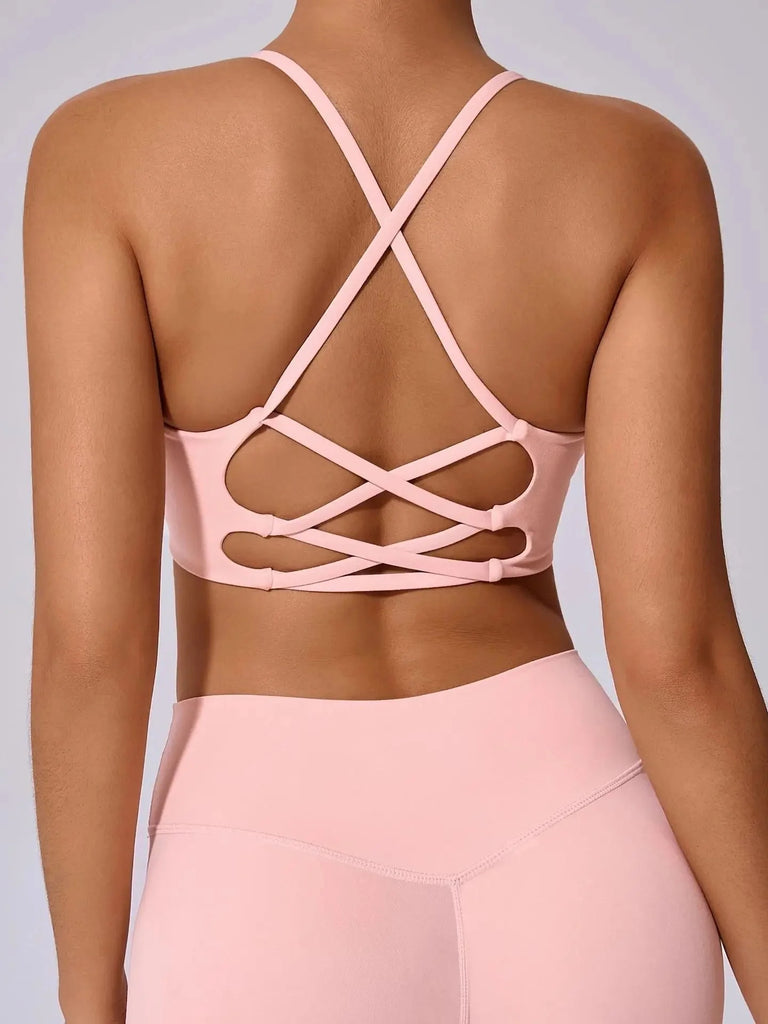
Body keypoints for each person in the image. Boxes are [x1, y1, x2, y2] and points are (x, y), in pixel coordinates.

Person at [24, 0, 768, 1021]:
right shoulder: (636, 167)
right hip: (583, 846)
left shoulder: (107, 153)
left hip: (260, 852)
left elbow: (90, 646)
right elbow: (680, 660)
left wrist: (86, 993)